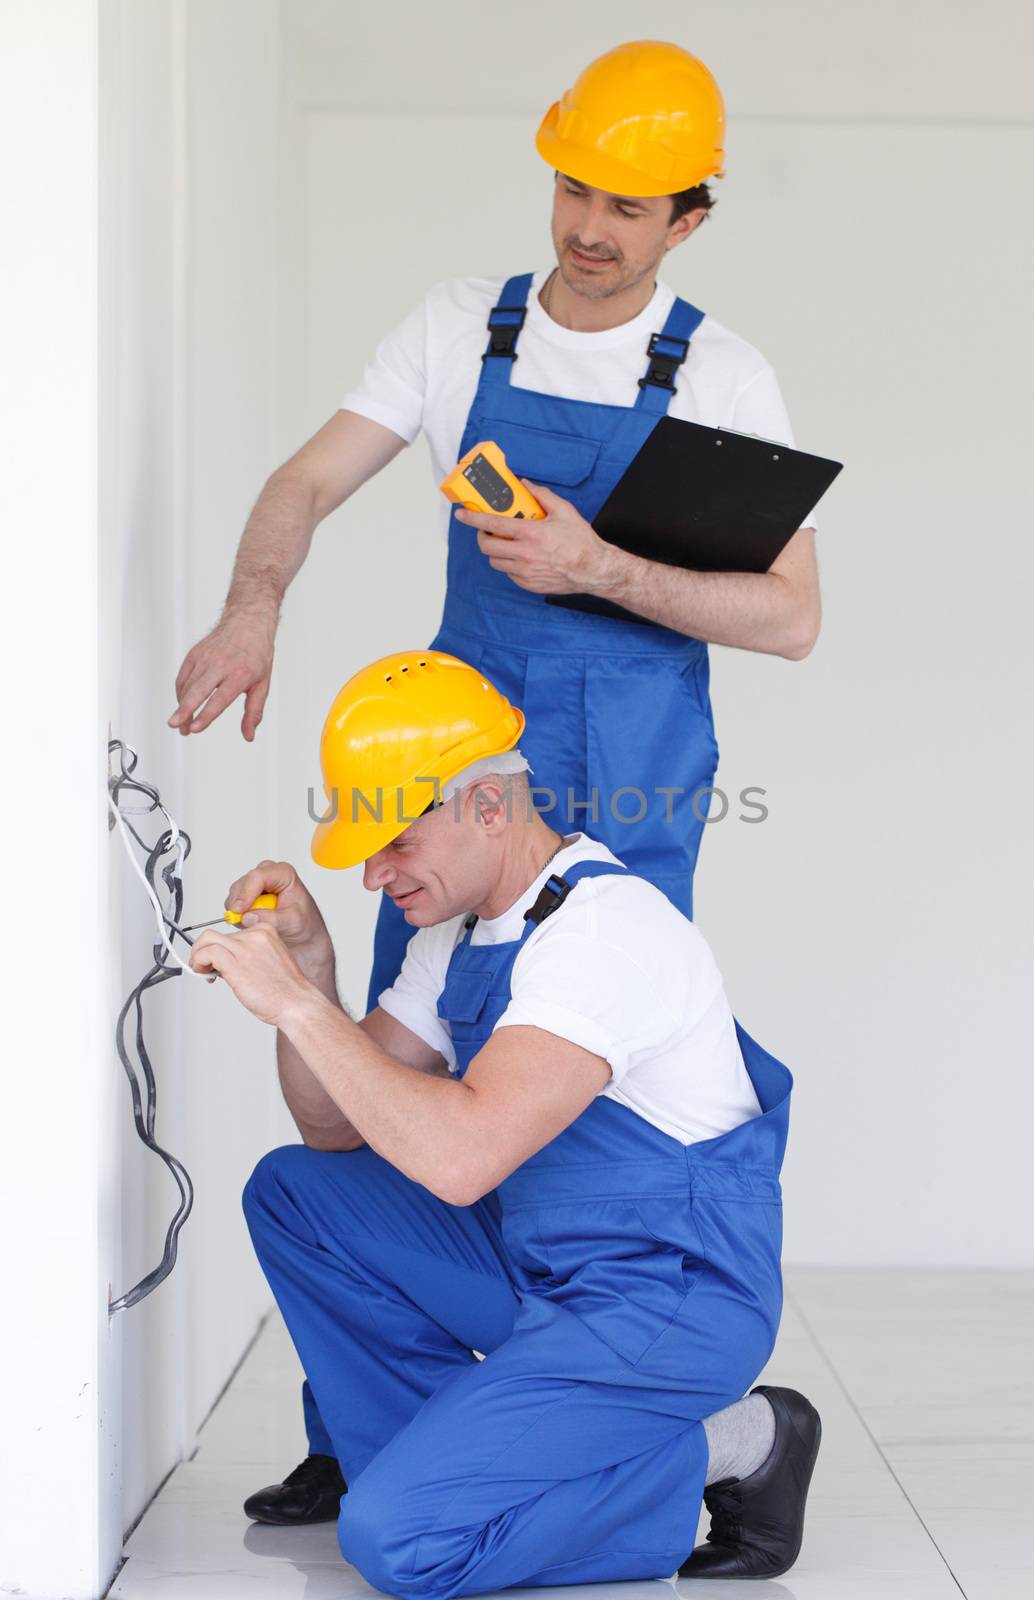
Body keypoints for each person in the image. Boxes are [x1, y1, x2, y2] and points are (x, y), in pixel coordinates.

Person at [169, 38, 821, 1015]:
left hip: (631, 758)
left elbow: (790, 619)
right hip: (450, 745)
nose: (588, 228)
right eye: (573, 190)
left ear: (684, 224)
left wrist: (597, 567)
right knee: (425, 1019)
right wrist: (251, 610)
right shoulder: (460, 328)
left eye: (626, 208)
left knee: (605, 1025)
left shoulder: (718, 380)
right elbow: (302, 483)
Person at [190, 651, 821, 1589]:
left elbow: (460, 1159)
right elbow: (334, 1128)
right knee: (299, 1192)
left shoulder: (603, 935)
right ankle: (458, 1463)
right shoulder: (461, 935)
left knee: (403, 1544)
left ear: (488, 806)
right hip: (542, 1267)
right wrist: (315, 973)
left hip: (662, 1303)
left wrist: (294, 1010)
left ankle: (737, 1443)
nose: (373, 875)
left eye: (396, 840)